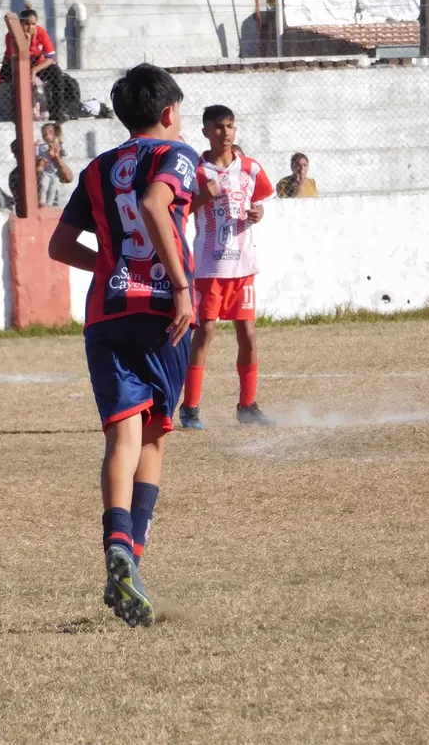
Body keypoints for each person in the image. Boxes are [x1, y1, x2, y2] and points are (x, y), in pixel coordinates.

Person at [47, 64, 199, 628]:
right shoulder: (176, 154)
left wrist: (111, 265)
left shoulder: (98, 167)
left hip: (106, 314)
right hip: (162, 311)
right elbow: (159, 206)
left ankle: (117, 545)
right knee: (155, 439)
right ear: (168, 113)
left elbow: (61, 246)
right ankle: (131, 553)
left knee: (121, 437)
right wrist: (180, 285)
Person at [179, 105, 274, 431]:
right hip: (209, 267)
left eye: (230, 126)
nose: (226, 133)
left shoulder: (249, 167)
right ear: (206, 130)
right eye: (219, 127)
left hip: (243, 264)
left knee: (247, 335)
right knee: (204, 333)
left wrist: (259, 213)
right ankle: (190, 408)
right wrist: (205, 196)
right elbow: (184, 209)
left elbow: (260, 200)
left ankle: (247, 406)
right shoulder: (197, 170)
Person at [4, 5, 80, 122]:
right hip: (17, 65)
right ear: (20, 24)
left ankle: (57, 113)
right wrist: (27, 42)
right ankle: (21, 114)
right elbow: (17, 58)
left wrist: (35, 70)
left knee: (57, 73)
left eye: (33, 24)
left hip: (37, 65)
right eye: (26, 24)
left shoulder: (41, 32)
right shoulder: (11, 36)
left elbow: (51, 57)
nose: (30, 28)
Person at [36, 122, 73, 207]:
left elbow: (69, 178)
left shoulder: (58, 146)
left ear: (54, 134)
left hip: (54, 172)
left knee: (53, 187)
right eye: (43, 135)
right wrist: (40, 158)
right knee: (44, 185)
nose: (46, 137)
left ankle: (49, 204)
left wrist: (57, 155)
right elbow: (38, 154)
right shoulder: (42, 146)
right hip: (46, 171)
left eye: (48, 134)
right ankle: (42, 201)